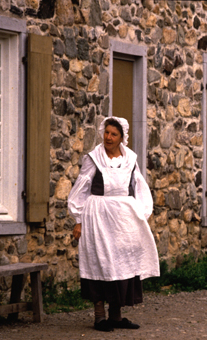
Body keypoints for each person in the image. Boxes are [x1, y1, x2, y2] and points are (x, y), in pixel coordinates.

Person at [68, 116, 159, 332]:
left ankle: (116, 316)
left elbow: (139, 187)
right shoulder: (93, 158)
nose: (108, 137)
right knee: (100, 262)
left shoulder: (130, 159)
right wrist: (78, 220)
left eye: (114, 134)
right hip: (98, 217)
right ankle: (100, 317)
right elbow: (80, 189)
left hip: (124, 220)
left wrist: (141, 213)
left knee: (122, 262)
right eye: (107, 132)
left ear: (121, 138)